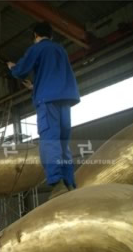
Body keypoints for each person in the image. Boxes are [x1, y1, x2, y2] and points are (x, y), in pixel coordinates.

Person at [7, 22, 80, 191]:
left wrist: (12, 67)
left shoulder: (38, 48)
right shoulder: (60, 50)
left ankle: (57, 182)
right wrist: (34, 87)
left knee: (49, 138)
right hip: (64, 98)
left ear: (35, 35)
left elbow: (20, 71)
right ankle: (69, 181)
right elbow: (54, 74)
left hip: (47, 100)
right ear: (51, 35)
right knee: (63, 142)